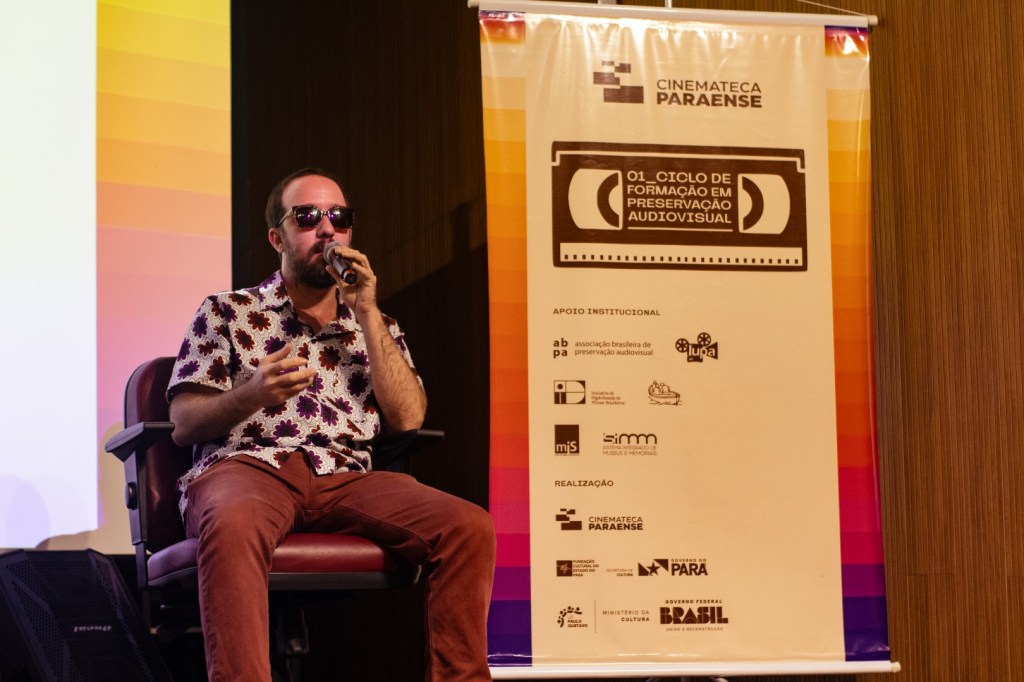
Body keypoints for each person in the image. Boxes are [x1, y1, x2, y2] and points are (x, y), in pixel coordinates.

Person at [167, 167, 495, 681]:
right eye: (307, 217)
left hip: (347, 478)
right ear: (277, 237)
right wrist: (252, 394)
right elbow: (184, 422)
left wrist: (367, 312)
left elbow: (409, 417)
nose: (326, 230)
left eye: (338, 218)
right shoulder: (227, 312)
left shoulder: (376, 325)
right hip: (251, 468)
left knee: (468, 526)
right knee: (233, 522)